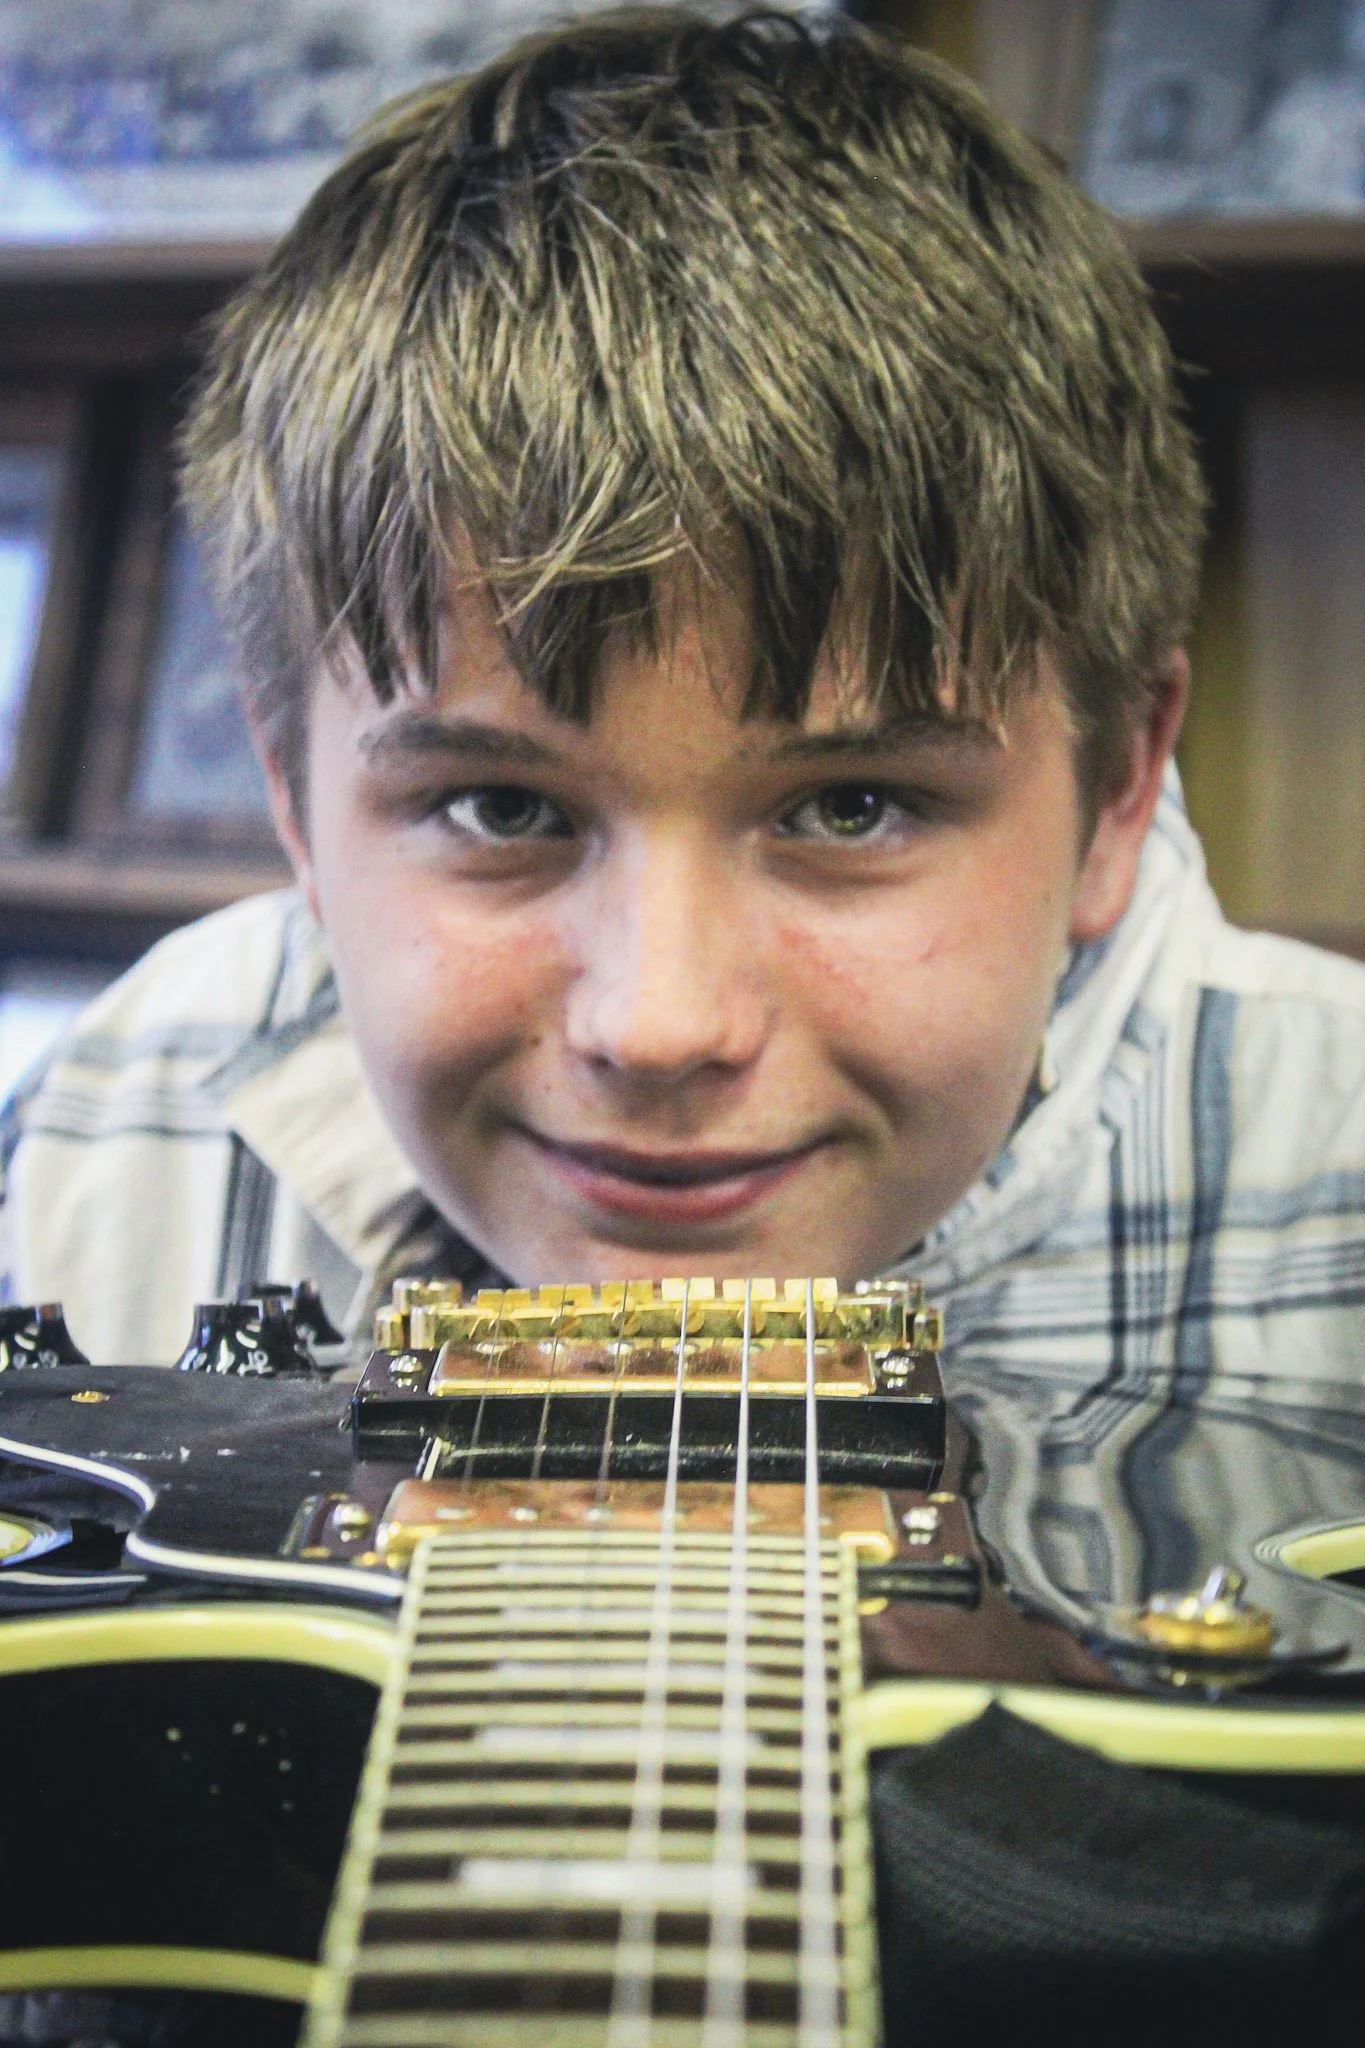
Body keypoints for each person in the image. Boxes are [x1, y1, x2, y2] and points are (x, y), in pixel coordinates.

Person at [3, 3, 1363, 1386]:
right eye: (494, 805)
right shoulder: (103, 1142)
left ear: (1119, 791)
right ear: (292, 797)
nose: (657, 1026)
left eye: (849, 808)